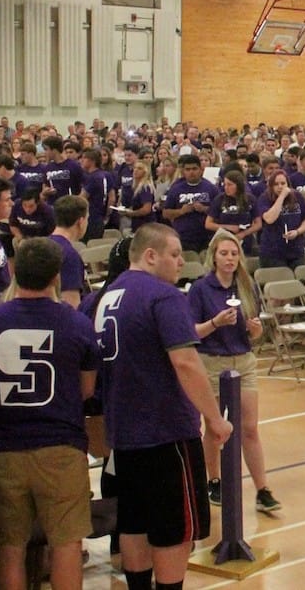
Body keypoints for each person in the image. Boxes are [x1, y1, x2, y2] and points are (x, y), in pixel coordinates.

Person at [93, 222, 232, 590]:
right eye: (174, 255)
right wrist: (215, 419)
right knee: (173, 527)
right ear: (150, 255)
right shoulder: (163, 295)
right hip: (166, 430)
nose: (180, 264)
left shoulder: (108, 295)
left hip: (123, 434)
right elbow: (185, 361)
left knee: (134, 520)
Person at [0, 237, 101, 590]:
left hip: (4, 445)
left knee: (10, 545)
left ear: (12, 271)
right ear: (56, 276)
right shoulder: (77, 324)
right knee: (67, 543)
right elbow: (86, 390)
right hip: (61, 446)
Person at [187, 229, 281, 513]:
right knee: (215, 428)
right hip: (212, 362)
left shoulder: (245, 285)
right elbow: (192, 332)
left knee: (249, 428)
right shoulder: (201, 289)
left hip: (244, 361)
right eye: (224, 253)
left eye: (234, 253)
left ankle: (262, 489)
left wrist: (255, 330)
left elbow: (255, 331)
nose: (229, 259)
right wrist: (215, 323)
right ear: (213, 256)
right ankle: (213, 480)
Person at [162, 153, 218, 253]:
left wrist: (205, 209)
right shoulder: (176, 189)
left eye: (194, 169)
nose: (191, 172)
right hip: (184, 237)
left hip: (207, 237)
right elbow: (165, 213)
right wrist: (181, 211)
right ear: (183, 172)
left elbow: (220, 213)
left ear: (201, 170)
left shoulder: (211, 188)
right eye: (188, 169)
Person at [256, 169, 305, 269]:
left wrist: (297, 232)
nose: (280, 186)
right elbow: (269, 219)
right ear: (271, 186)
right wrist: (281, 196)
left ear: (288, 184)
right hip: (273, 252)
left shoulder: (297, 196)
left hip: (295, 250)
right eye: (276, 184)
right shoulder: (264, 198)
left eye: (283, 183)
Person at [48, 195, 90, 307]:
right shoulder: (70, 256)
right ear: (80, 222)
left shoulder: (42, 246)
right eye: (87, 219)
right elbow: (71, 304)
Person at [205, 170, 260, 254]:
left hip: (244, 240)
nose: (226, 187)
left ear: (238, 185)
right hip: (224, 238)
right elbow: (208, 224)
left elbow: (258, 224)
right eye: (225, 184)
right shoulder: (219, 199)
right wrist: (228, 227)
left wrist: (244, 233)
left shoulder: (250, 199)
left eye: (230, 185)